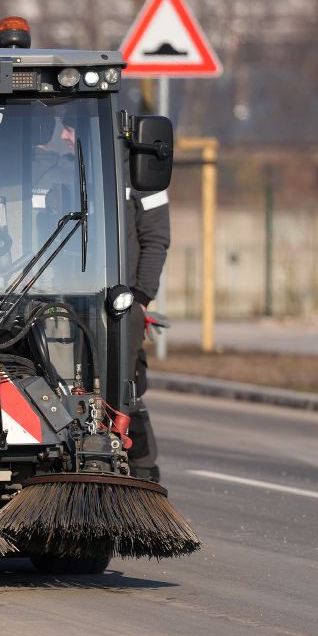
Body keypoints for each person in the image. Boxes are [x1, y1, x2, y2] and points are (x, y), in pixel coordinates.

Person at [124, 181, 170, 482]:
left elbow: (156, 238)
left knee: (126, 389)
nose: (64, 133)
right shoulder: (41, 164)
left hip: (119, 304)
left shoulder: (139, 174)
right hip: (49, 297)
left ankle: (141, 476)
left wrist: (139, 299)